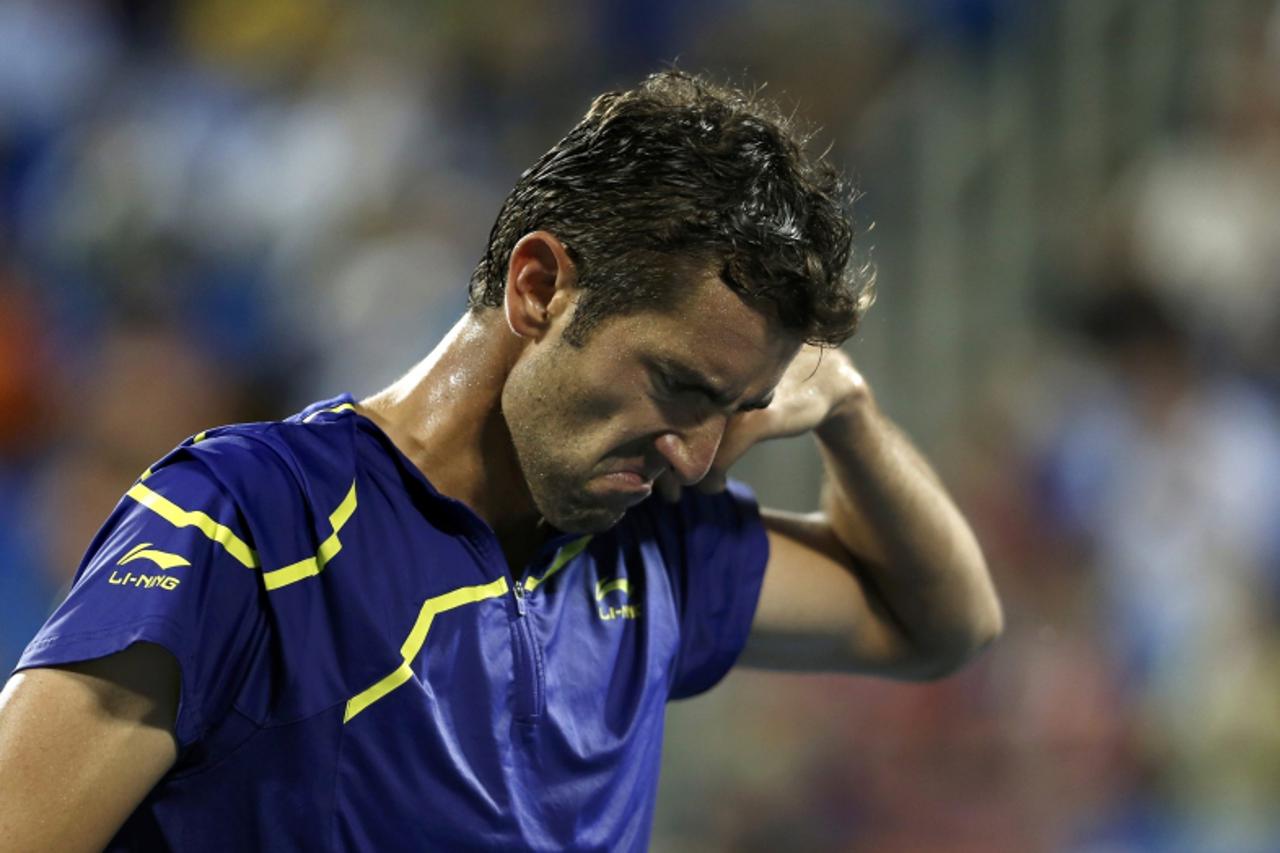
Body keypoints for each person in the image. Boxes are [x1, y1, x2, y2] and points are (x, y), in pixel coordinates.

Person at [0, 71, 1002, 851]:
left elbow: (939, 622)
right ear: (538, 287)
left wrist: (848, 413)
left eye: (735, 409)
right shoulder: (247, 524)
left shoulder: (653, 546)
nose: (697, 458)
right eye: (677, 386)